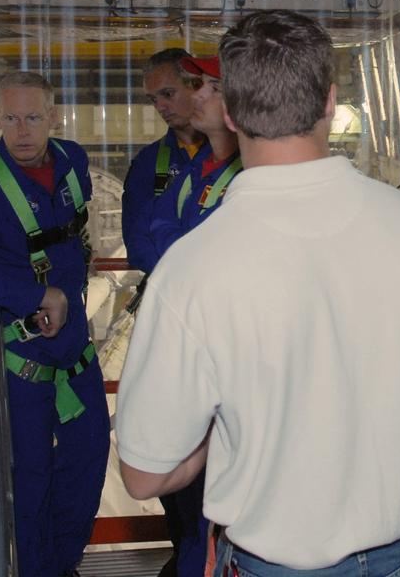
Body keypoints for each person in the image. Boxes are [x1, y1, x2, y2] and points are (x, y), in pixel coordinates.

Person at [116, 10, 400, 577]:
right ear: (328, 102)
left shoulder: (192, 270)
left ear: (228, 111)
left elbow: (145, 474)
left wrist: (239, 427)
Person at [0, 71, 110, 577]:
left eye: (33, 117)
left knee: (88, 457)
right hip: (25, 359)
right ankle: (39, 570)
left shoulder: (72, 161)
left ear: (53, 118)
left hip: (76, 352)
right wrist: (38, 293)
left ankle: (63, 562)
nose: (22, 130)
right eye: (11, 118)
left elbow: (73, 227)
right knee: (31, 476)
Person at [142, 53, 242, 577]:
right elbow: (158, 238)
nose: (193, 96)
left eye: (206, 87)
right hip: (191, 356)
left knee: (216, 508)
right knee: (191, 509)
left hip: (222, 368)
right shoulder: (199, 167)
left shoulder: (247, 177)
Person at [146, 56, 242, 262]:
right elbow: (159, 222)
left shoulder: (250, 174)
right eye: (199, 84)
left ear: (244, 102)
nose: (197, 96)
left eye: (215, 88)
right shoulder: (197, 167)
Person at [122, 49, 205, 275]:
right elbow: (137, 240)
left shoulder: (234, 155)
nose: (160, 107)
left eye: (168, 94)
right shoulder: (148, 164)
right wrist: (173, 278)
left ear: (197, 86)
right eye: (153, 99)